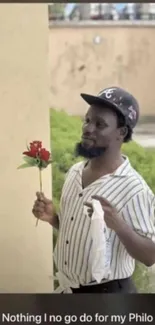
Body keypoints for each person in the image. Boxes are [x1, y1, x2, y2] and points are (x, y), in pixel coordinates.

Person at [32, 87, 155, 294]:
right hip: (68, 292)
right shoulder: (75, 172)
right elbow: (81, 235)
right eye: (87, 120)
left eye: (100, 124)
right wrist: (53, 218)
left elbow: (150, 256)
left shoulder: (134, 189)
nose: (88, 129)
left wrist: (119, 226)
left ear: (121, 133)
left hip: (109, 300)